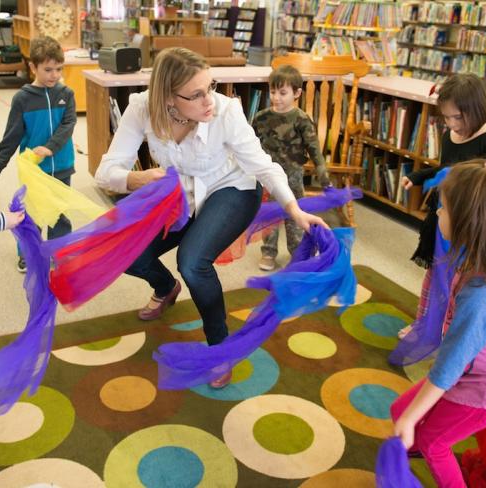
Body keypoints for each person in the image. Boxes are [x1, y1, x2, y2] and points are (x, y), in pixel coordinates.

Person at [95, 47, 328, 388]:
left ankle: (220, 347)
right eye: (197, 94)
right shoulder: (141, 107)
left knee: (192, 261)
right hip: (180, 196)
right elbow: (105, 172)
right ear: (168, 98)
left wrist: (294, 208)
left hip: (231, 189)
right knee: (125, 250)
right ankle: (165, 287)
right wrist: (134, 179)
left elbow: (263, 165)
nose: (210, 100)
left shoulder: (226, 111)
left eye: (211, 87)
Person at [392, 160, 486, 488]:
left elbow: (450, 365)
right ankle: (416, 442)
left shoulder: (480, 295)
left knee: (433, 444)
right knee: (399, 410)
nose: (437, 214)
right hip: (469, 373)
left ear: (469, 222)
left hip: (483, 389)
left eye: (444, 208)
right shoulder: (474, 257)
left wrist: (412, 419)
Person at [398, 74, 486, 339]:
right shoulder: (449, 135)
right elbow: (446, 168)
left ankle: (450, 332)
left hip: (469, 225)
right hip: (443, 216)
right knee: (434, 276)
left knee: (459, 284)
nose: (452, 124)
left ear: (476, 111)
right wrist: (418, 177)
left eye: (458, 118)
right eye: (447, 117)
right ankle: (423, 324)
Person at [0, 36, 77, 273]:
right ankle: (29, 254)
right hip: (35, 170)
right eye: (48, 69)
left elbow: (68, 124)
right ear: (33, 67)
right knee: (32, 215)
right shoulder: (22, 99)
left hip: (63, 166)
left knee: (59, 214)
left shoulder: (66, 94)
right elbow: (12, 136)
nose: (54, 75)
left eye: (59, 69)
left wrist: (50, 147)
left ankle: (59, 252)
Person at [252, 64, 330, 272]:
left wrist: (321, 168)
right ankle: (268, 252)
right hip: (267, 175)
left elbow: (313, 148)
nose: (276, 97)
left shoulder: (302, 120)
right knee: (269, 214)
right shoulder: (261, 118)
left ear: (297, 93)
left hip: (293, 175)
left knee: (295, 216)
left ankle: (297, 253)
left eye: (283, 92)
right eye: (273, 91)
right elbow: (249, 145)